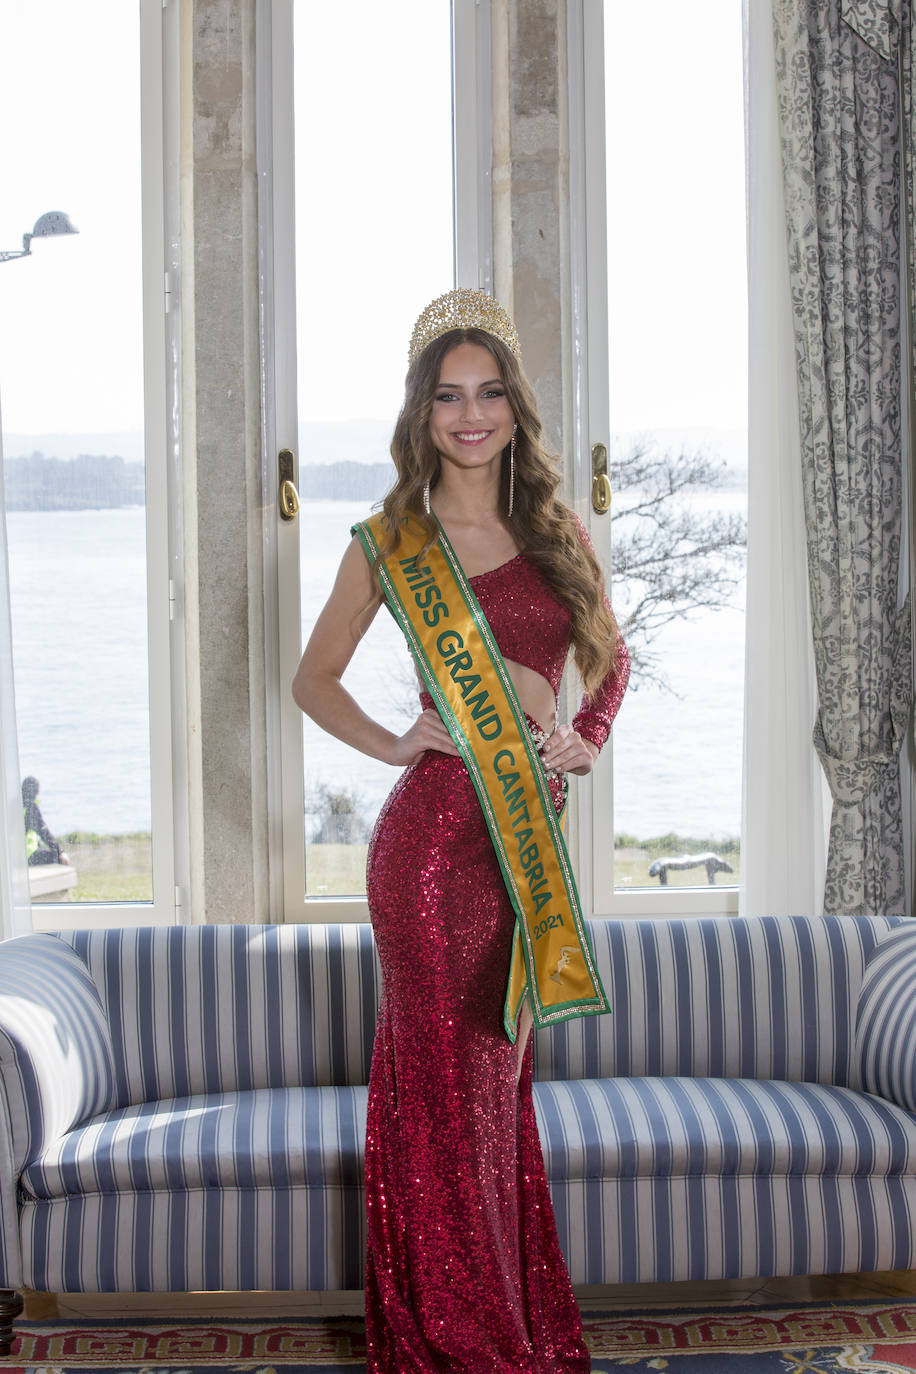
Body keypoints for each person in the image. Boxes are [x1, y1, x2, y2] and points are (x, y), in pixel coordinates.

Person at [293, 288, 630, 1372]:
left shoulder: (551, 528)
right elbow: (313, 680)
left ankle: (503, 1321)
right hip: (433, 858)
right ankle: (461, 1343)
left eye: (488, 394)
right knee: (443, 1099)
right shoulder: (394, 541)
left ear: (513, 408)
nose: (470, 415)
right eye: (449, 397)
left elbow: (609, 660)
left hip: (523, 846)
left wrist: (584, 734)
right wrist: (397, 745)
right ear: (422, 413)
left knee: (493, 1094)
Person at [22, 776, 69, 866]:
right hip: (27, 854)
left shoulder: (14, 805)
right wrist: (60, 852)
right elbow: (44, 832)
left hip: (14, 854)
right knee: (58, 859)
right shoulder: (30, 807)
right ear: (37, 792)